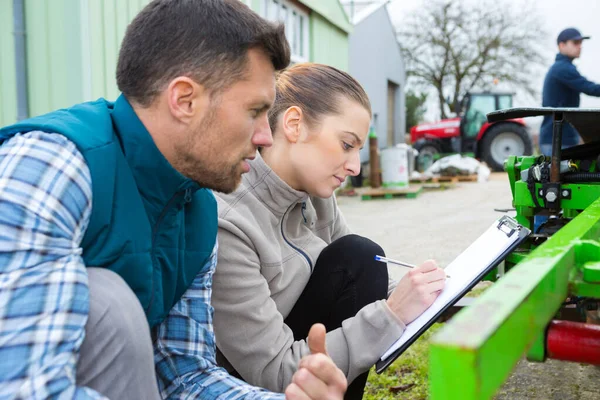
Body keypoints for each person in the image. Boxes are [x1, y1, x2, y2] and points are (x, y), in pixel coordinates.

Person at [0, 1, 346, 399]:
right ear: (185, 100)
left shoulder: (197, 210)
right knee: (109, 305)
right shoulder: (51, 170)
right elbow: (23, 388)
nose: (266, 137)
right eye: (254, 111)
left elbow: (184, 374)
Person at [212, 63, 447, 399]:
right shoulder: (229, 222)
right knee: (361, 256)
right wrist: (391, 314)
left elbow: (363, 283)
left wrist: (429, 295)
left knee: (363, 258)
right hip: (254, 384)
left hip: (307, 354)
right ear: (294, 125)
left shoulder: (315, 194)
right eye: (346, 144)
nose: (355, 167)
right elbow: (272, 371)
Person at [540, 27, 600, 156]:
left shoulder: (562, 67)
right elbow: (589, 87)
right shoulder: (562, 69)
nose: (580, 47)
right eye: (575, 43)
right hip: (557, 140)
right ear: (561, 45)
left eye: (580, 43)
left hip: (559, 138)